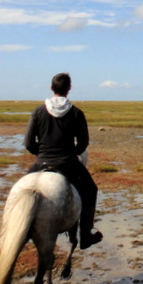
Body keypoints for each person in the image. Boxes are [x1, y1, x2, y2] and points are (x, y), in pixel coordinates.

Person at [24, 72, 103, 249]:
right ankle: (85, 236)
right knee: (91, 190)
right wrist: (70, 153)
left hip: (42, 161)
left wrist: (42, 153)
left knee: (20, 190)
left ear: (51, 88)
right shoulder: (76, 113)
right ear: (69, 89)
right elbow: (83, 143)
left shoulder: (37, 112)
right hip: (67, 162)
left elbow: (28, 143)